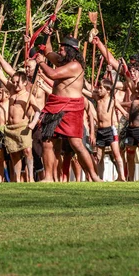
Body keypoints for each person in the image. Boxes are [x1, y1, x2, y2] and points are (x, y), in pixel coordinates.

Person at [36, 36, 101, 182]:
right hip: (54, 105)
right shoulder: (61, 61)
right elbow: (48, 51)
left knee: (76, 143)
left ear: (70, 50)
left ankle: (94, 176)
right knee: (47, 141)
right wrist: (48, 33)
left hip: (71, 107)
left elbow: (52, 74)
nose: (60, 50)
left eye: (63, 48)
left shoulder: (75, 66)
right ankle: (48, 177)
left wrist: (40, 63)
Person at [92, 79, 126, 181]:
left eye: (101, 88)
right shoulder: (97, 99)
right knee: (99, 156)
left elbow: (123, 111)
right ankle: (99, 177)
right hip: (100, 131)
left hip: (110, 131)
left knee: (116, 154)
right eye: (99, 87)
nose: (99, 89)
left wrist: (126, 116)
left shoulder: (112, 101)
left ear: (108, 90)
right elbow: (86, 91)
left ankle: (122, 177)